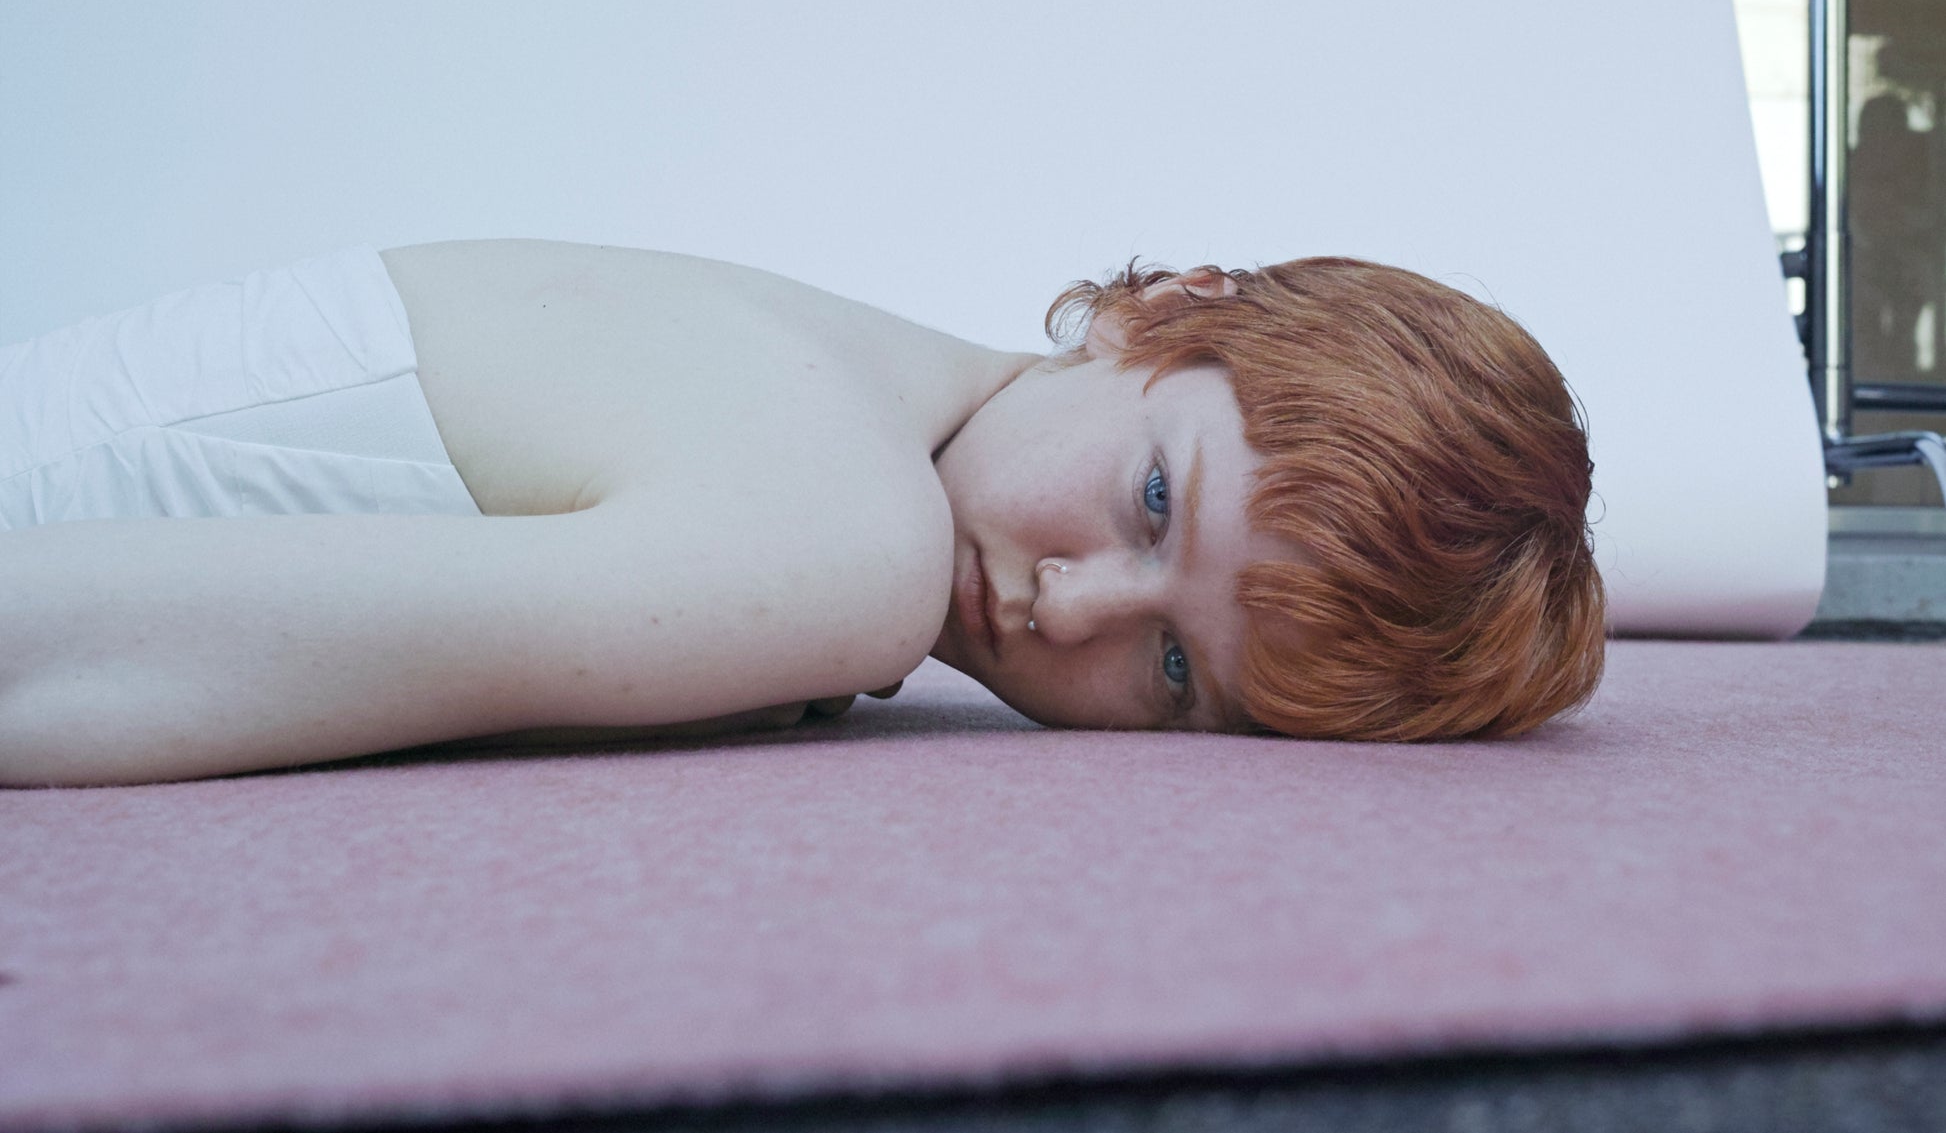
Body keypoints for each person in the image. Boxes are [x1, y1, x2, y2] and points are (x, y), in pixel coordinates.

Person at [0, 239, 1605, 786]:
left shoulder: (827, 361)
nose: (1068, 607)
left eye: (1174, 671)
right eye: (1149, 501)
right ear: (1162, 310)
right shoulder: (856, 549)